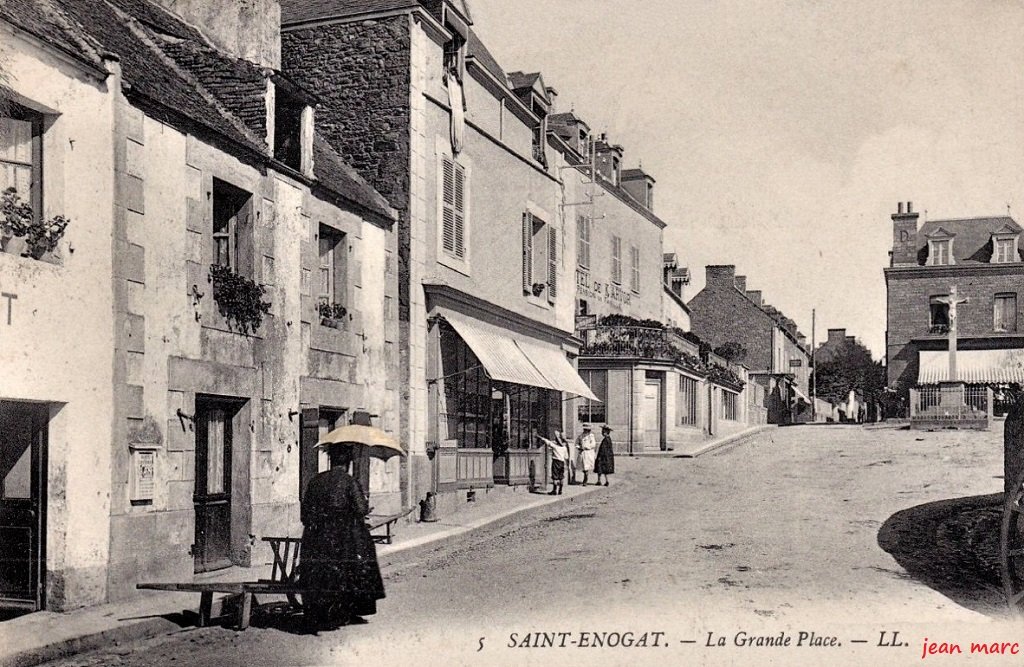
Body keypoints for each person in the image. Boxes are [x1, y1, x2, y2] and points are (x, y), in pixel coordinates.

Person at [299, 446, 385, 631]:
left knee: (320, 573)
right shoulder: (350, 482)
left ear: (332, 461)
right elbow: (361, 510)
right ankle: (349, 610)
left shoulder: (316, 481)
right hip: (343, 539)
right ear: (347, 463)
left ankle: (319, 612)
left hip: (316, 538)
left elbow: (305, 513)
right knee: (361, 560)